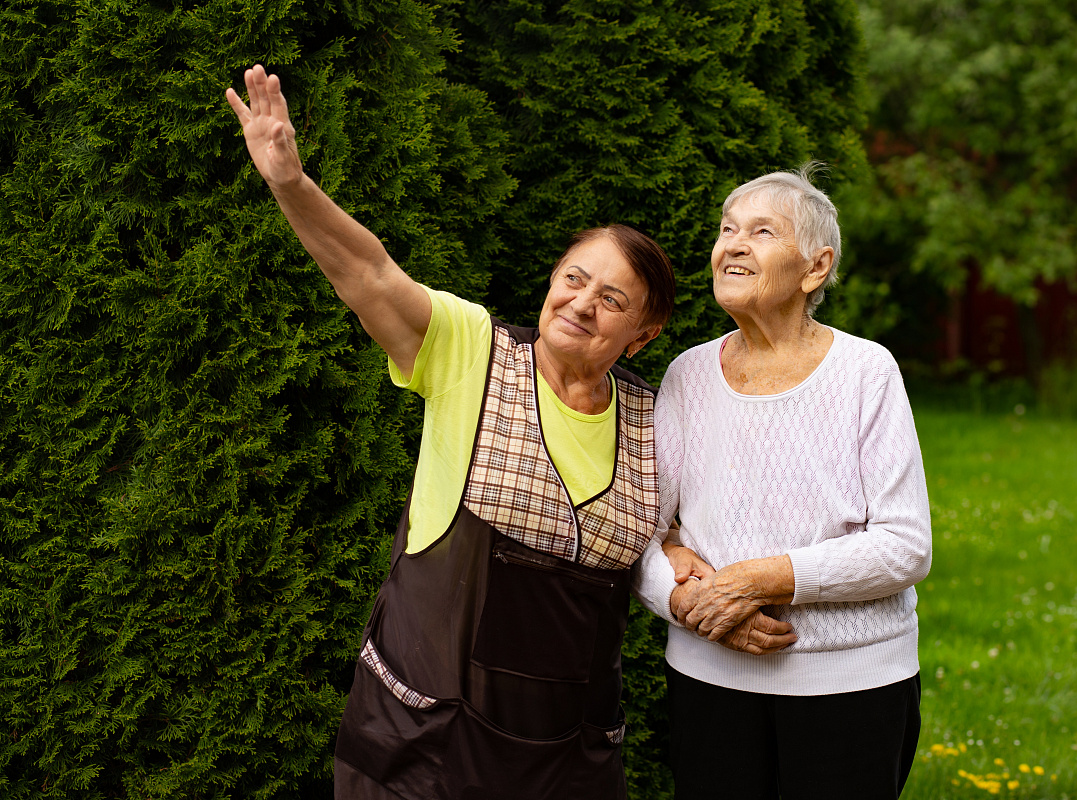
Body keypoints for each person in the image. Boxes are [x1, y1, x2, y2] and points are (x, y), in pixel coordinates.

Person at [225, 65, 783, 799]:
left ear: (642, 336)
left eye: (611, 298)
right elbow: (368, 272)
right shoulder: (471, 349)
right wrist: (289, 181)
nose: (582, 303)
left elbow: (673, 539)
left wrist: (706, 586)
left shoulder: (655, 417)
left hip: (569, 758)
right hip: (425, 743)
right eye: (573, 278)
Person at [633, 165, 933, 799]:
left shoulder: (866, 372)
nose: (732, 244)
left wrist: (759, 578)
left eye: (762, 231)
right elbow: (643, 532)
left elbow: (905, 545)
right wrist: (693, 607)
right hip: (707, 679)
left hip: (850, 687)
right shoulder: (686, 376)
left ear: (815, 268)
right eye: (726, 229)